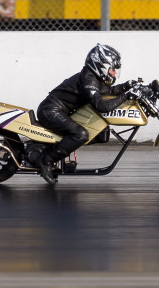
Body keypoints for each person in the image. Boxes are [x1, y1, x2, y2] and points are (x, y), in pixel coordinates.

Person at [35, 43, 137, 183]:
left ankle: (58, 151)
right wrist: (126, 96)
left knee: (102, 134)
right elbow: (101, 105)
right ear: (100, 64)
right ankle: (46, 160)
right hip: (51, 110)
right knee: (80, 134)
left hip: (59, 110)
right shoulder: (89, 79)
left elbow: (109, 92)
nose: (113, 73)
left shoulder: (95, 78)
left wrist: (127, 85)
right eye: (112, 69)